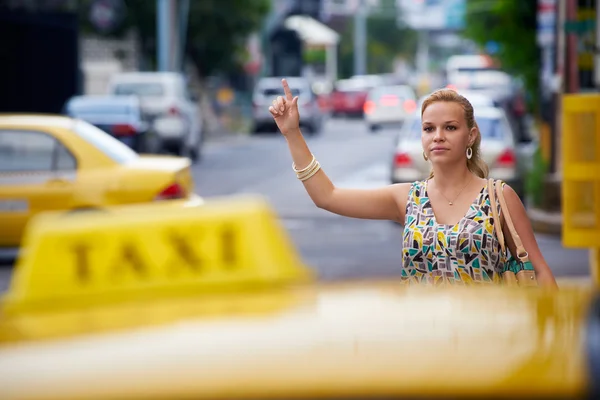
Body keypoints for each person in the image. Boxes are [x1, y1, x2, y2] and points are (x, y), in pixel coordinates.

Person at [269, 79, 558, 288]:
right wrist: (293, 134)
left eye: (450, 128)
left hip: (490, 348)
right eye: (429, 128)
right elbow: (327, 196)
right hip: (422, 347)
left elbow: (540, 273)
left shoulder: (498, 197)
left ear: (470, 136)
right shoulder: (408, 198)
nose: (438, 136)